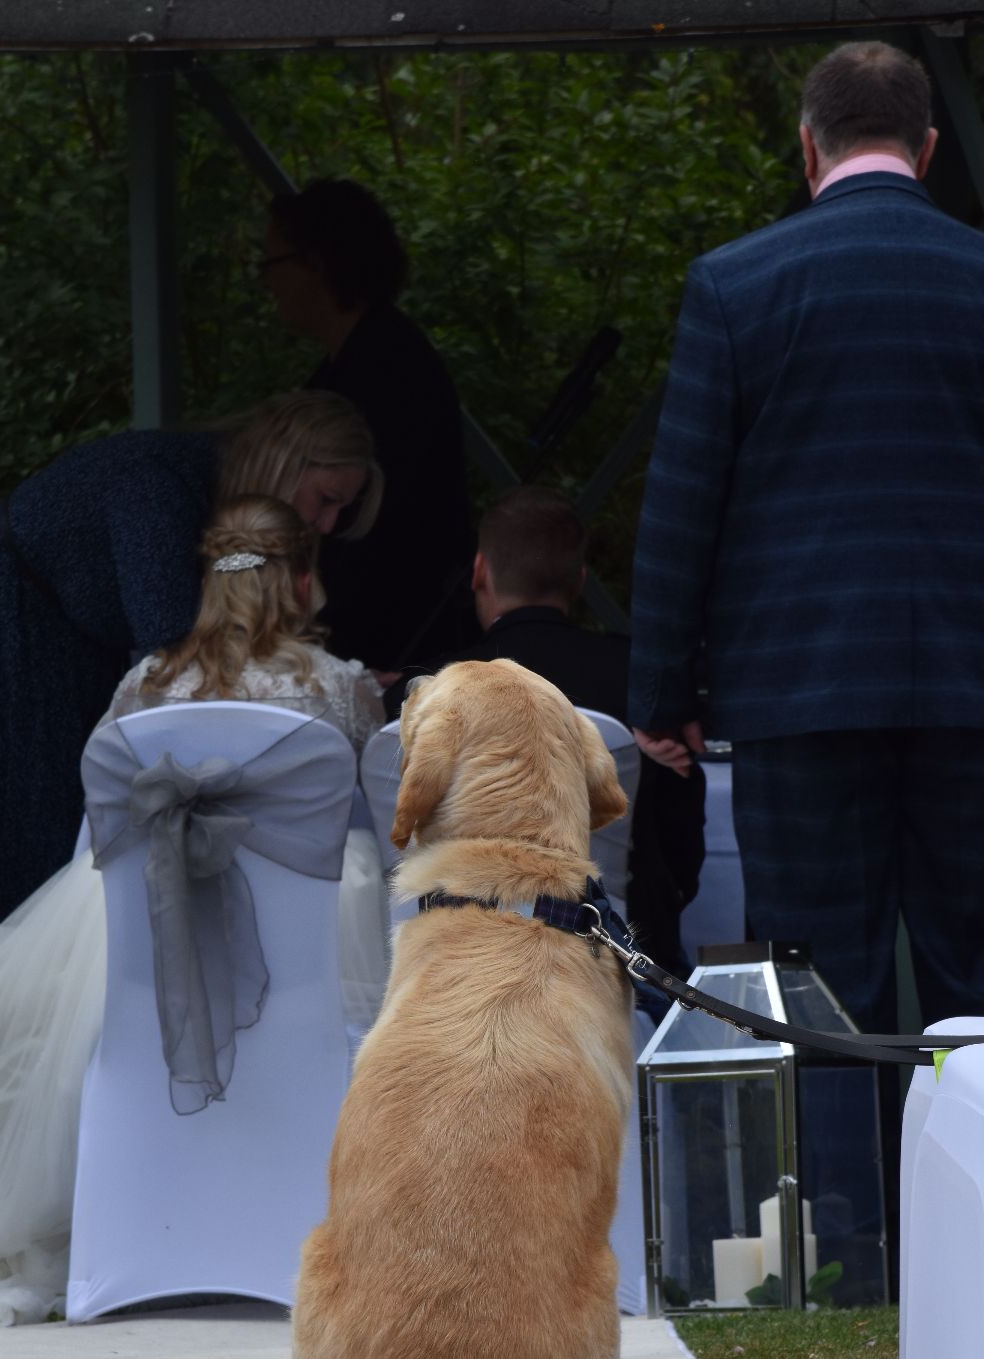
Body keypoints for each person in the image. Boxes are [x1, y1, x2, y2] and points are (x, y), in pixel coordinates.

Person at [0, 494, 386, 1327]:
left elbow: (101, 826)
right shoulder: (342, 691)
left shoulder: (144, 685)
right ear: (301, 581)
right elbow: (371, 815)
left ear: (206, 580)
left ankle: (133, 1222)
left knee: (61, 1018)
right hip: (303, 936)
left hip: (150, 924)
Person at [628, 41, 984, 1289]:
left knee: (817, 987)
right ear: (927, 147)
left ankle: (848, 1248)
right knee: (977, 979)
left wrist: (662, 695)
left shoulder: (738, 284)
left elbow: (685, 507)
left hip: (799, 694)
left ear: (809, 143)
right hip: (972, 694)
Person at [0, 390, 382, 931]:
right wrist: (321, 682)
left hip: (62, 638)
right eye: (328, 499)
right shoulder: (157, 480)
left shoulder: (202, 496)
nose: (328, 524)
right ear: (286, 464)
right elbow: (179, 650)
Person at [463, 485, 705, 980]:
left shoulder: (427, 687)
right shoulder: (638, 681)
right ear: (579, 581)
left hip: (462, 947)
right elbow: (682, 839)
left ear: (480, 570)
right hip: (624, 954)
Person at [263, 179, 474, 676]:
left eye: (271, 264)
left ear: (316, 263)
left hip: (388, 645)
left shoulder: (389, 372)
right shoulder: (358, 364)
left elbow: (380, 539)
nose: (266, 282)